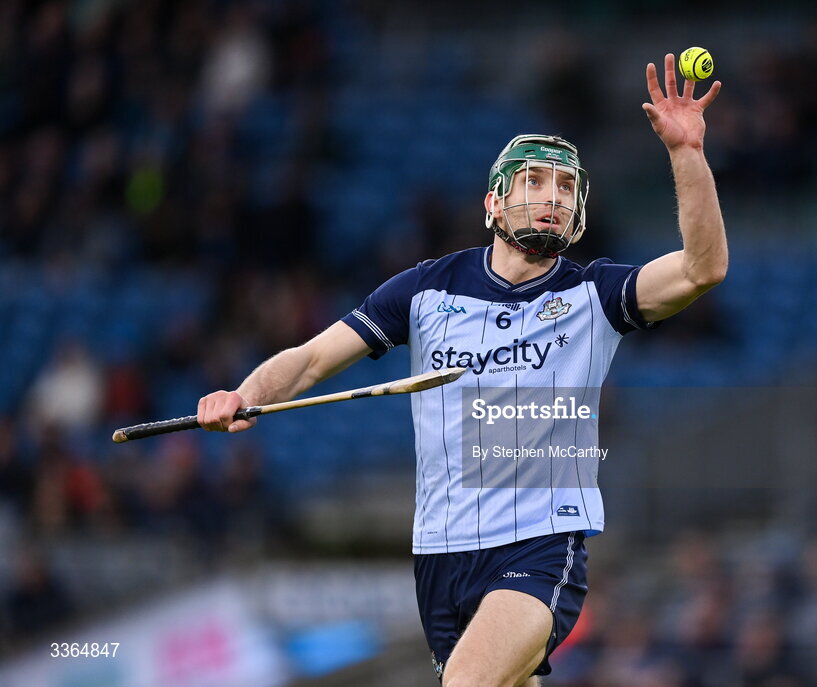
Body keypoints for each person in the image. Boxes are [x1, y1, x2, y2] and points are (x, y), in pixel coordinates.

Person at [197, 54, 726, 686]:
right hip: (440, 556)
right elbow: (311, 358)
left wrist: (686, 152)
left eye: (564, 188)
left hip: (537, 545)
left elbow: (702, 269)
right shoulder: (427, 290)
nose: (551, 198)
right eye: (533, 183)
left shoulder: (597, 296)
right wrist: (243, 394)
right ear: (495, 203)